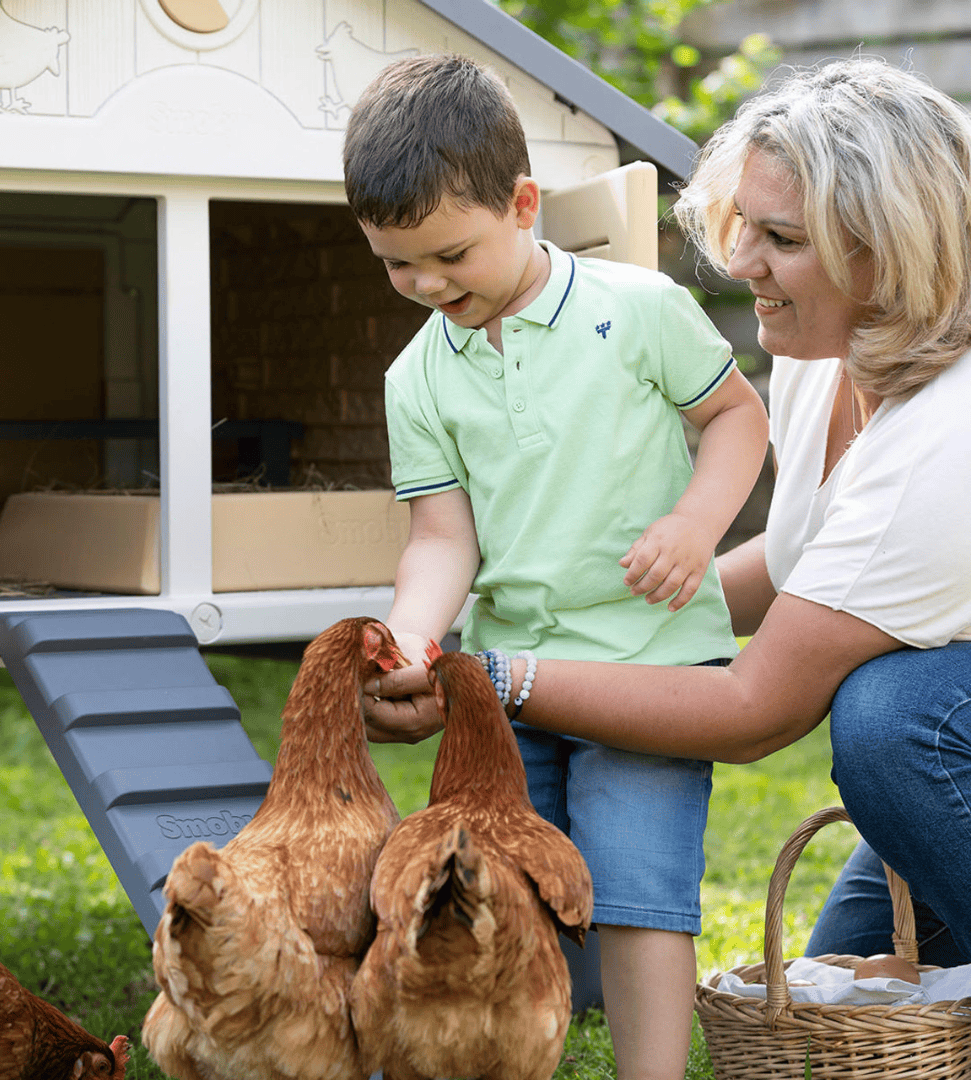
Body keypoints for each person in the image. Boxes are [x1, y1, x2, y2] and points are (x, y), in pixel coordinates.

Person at [366, 55, 971, 988]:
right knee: (834, 983)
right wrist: (607, 607)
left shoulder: (946, 441)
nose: (739, 265)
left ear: (886, 249)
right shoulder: (826, 346)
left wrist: (494, 676)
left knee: (890, 721)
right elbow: (819, 562)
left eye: (781, 238)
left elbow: (750, 709)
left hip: (939, 728)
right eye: (743, 226)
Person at [344, 54, 770, 1080]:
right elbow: (444, 539)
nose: (429, 285)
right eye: (398, 266)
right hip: (509, 688)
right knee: (493, 896)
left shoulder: (640, 307)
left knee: (634, 890)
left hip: (653, 670)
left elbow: (735, 419)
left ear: (523, 204)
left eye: (450, 254)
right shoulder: (416, 377)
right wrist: (411, 637)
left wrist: (696, 522)